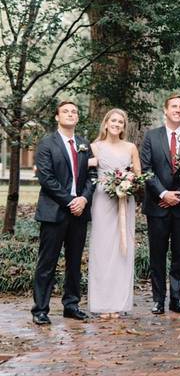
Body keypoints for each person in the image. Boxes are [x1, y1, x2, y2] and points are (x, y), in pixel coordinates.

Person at [31, 100, 95, 325]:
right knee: (47, 262)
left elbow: (92, 176)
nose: (70, 114)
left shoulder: (84, 144)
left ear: (78, 118)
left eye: (74, 112)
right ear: (57, 117)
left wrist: (84, 199)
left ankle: (71, 304)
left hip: (79, 213)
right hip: (54, 211)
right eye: (65, 111)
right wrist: (71, 201)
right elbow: (46, 178)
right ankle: (40, 309)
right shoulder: (47, 143)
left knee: (75, 261)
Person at [140, 93, 180, 315]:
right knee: (157, 254)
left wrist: (178, 196)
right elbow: (146, 169)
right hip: (157, 206)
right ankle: (158, 300)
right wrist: (163, 194)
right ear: (165, 110)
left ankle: (176, 298)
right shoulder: (151, 136)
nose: (178, 109)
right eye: (174, 106)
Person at [88, 109, 139, 318]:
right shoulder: (94, 147)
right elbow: (87, 172)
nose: (117, 124)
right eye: (113, 120)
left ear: (124, 126)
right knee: (102, 248)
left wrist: (127, 182)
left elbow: (138, 174)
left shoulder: (130, 147)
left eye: (121, 122)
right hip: (102, 199)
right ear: (106, 123)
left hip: (124, 200)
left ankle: (119, 302)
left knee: (122, 248)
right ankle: (102, 303)